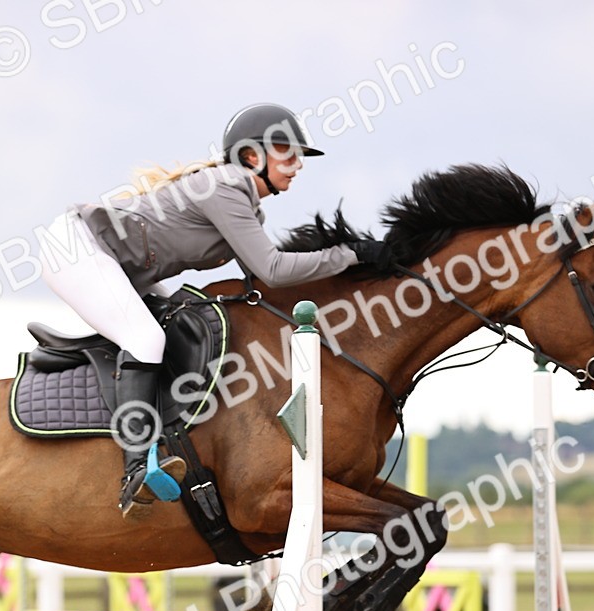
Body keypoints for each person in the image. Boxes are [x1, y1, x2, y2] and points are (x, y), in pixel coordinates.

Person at [42, 102, 384, 520]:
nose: (297, 165)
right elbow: (273, 270)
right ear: (252, 156)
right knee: (147, 338)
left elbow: (260, 280)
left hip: (123, 265)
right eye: (288, 153)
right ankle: (135, 468)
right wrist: (348, 255)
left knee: (167, 329)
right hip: (77, 248)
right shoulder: (226, 186)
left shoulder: (246, 202)